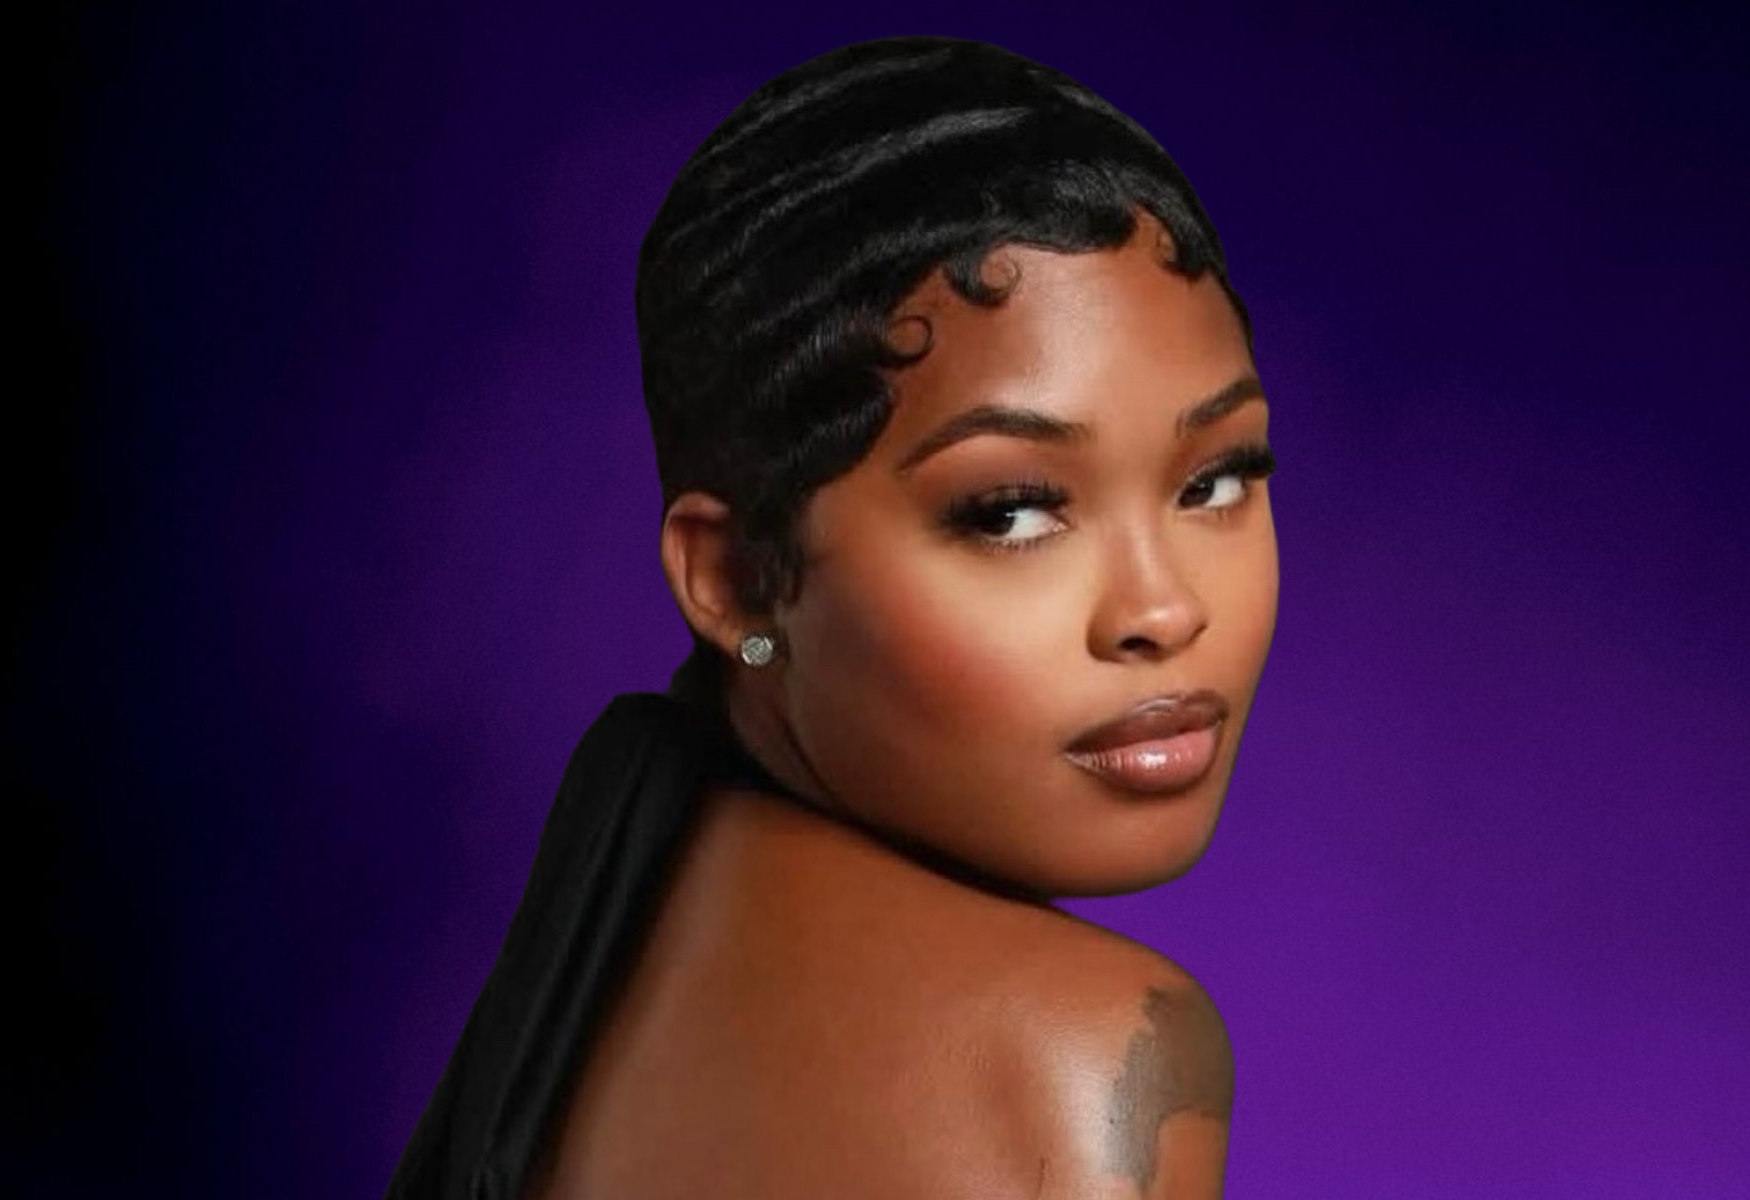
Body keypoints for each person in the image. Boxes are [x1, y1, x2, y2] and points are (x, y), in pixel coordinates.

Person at [386, 34, 1278, 1200]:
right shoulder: (1079, 1055)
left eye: (1215, 480)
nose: (1163, 609)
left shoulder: (648, 895)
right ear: (736, 583)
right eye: (1010, 512)